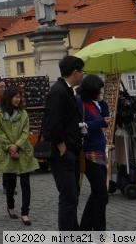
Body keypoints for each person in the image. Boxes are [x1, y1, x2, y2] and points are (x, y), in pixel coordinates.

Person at [42, 55, 85, 231]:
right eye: (82, 71)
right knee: (68, 198)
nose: (83, 75)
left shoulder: (66, 90)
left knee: (73, 196)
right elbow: (51, 125)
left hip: (71, 150)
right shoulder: (59, 91)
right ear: (75, 72)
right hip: (63, 153)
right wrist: (62, 147)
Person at [0, 85, 39, 226]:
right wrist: (10, 147)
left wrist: (17, 145)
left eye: (20, 97)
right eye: (16, 97)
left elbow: (26, 132)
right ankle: (11, 206)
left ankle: (25, 212)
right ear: (9, 98)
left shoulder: (23, 114)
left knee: (25, 183)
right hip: (7, 152)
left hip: (23, 151)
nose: (19, 100)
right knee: (11, 183)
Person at [76, 75, 110, 231]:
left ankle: (85, 229)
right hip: (89, 153)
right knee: (101, 196)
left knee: (97, 193)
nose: (100, 92)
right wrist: (101, 122)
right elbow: (80, 126)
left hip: (99, 151)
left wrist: (102, 101)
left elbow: (105, 117)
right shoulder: (79, 103)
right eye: (98, 90)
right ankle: (99, 233)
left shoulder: (92, 103)